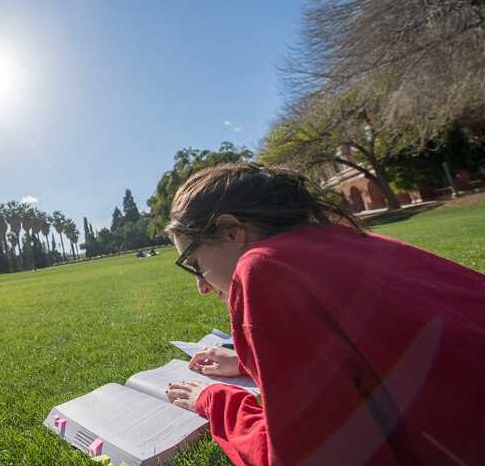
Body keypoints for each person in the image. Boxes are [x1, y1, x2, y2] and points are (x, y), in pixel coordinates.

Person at [164, 162, 485, 465]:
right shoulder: (354, 241)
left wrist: (214, 400)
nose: (201, 287)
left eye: (195, 265)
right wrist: (248, 361)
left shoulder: (263, 267)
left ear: (231, 232)